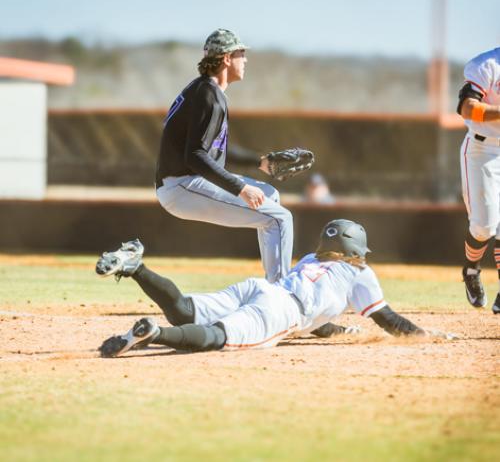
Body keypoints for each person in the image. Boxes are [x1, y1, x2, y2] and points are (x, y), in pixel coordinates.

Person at [95, 219, 455, 358]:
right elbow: (388, 319)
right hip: (282, 311)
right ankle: (156, 334)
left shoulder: (309, 262)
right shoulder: (358, 272)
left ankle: (137, 266)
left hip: (259, 288)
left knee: (185, 309)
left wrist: (336, 330)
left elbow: (322, 322)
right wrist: (424, 334)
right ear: (357, 251)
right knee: (217, 337)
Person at [155, 28, 293, 283]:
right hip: (181, 186)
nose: (246, 59)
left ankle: (276, 284)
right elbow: (195, 156)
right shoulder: (208, 95)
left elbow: (212, 150)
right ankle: (284, 295)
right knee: (279, 218)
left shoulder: (205, 90)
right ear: (227, 58)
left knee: (271, 196)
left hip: (187, 181)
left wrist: (259, 162)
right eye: (241, 53)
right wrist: (240, 188)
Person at [457, 47, 500, 314]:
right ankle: (471, 269)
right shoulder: (486, 65)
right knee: (484, 227)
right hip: (483, 150)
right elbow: (466, 107)